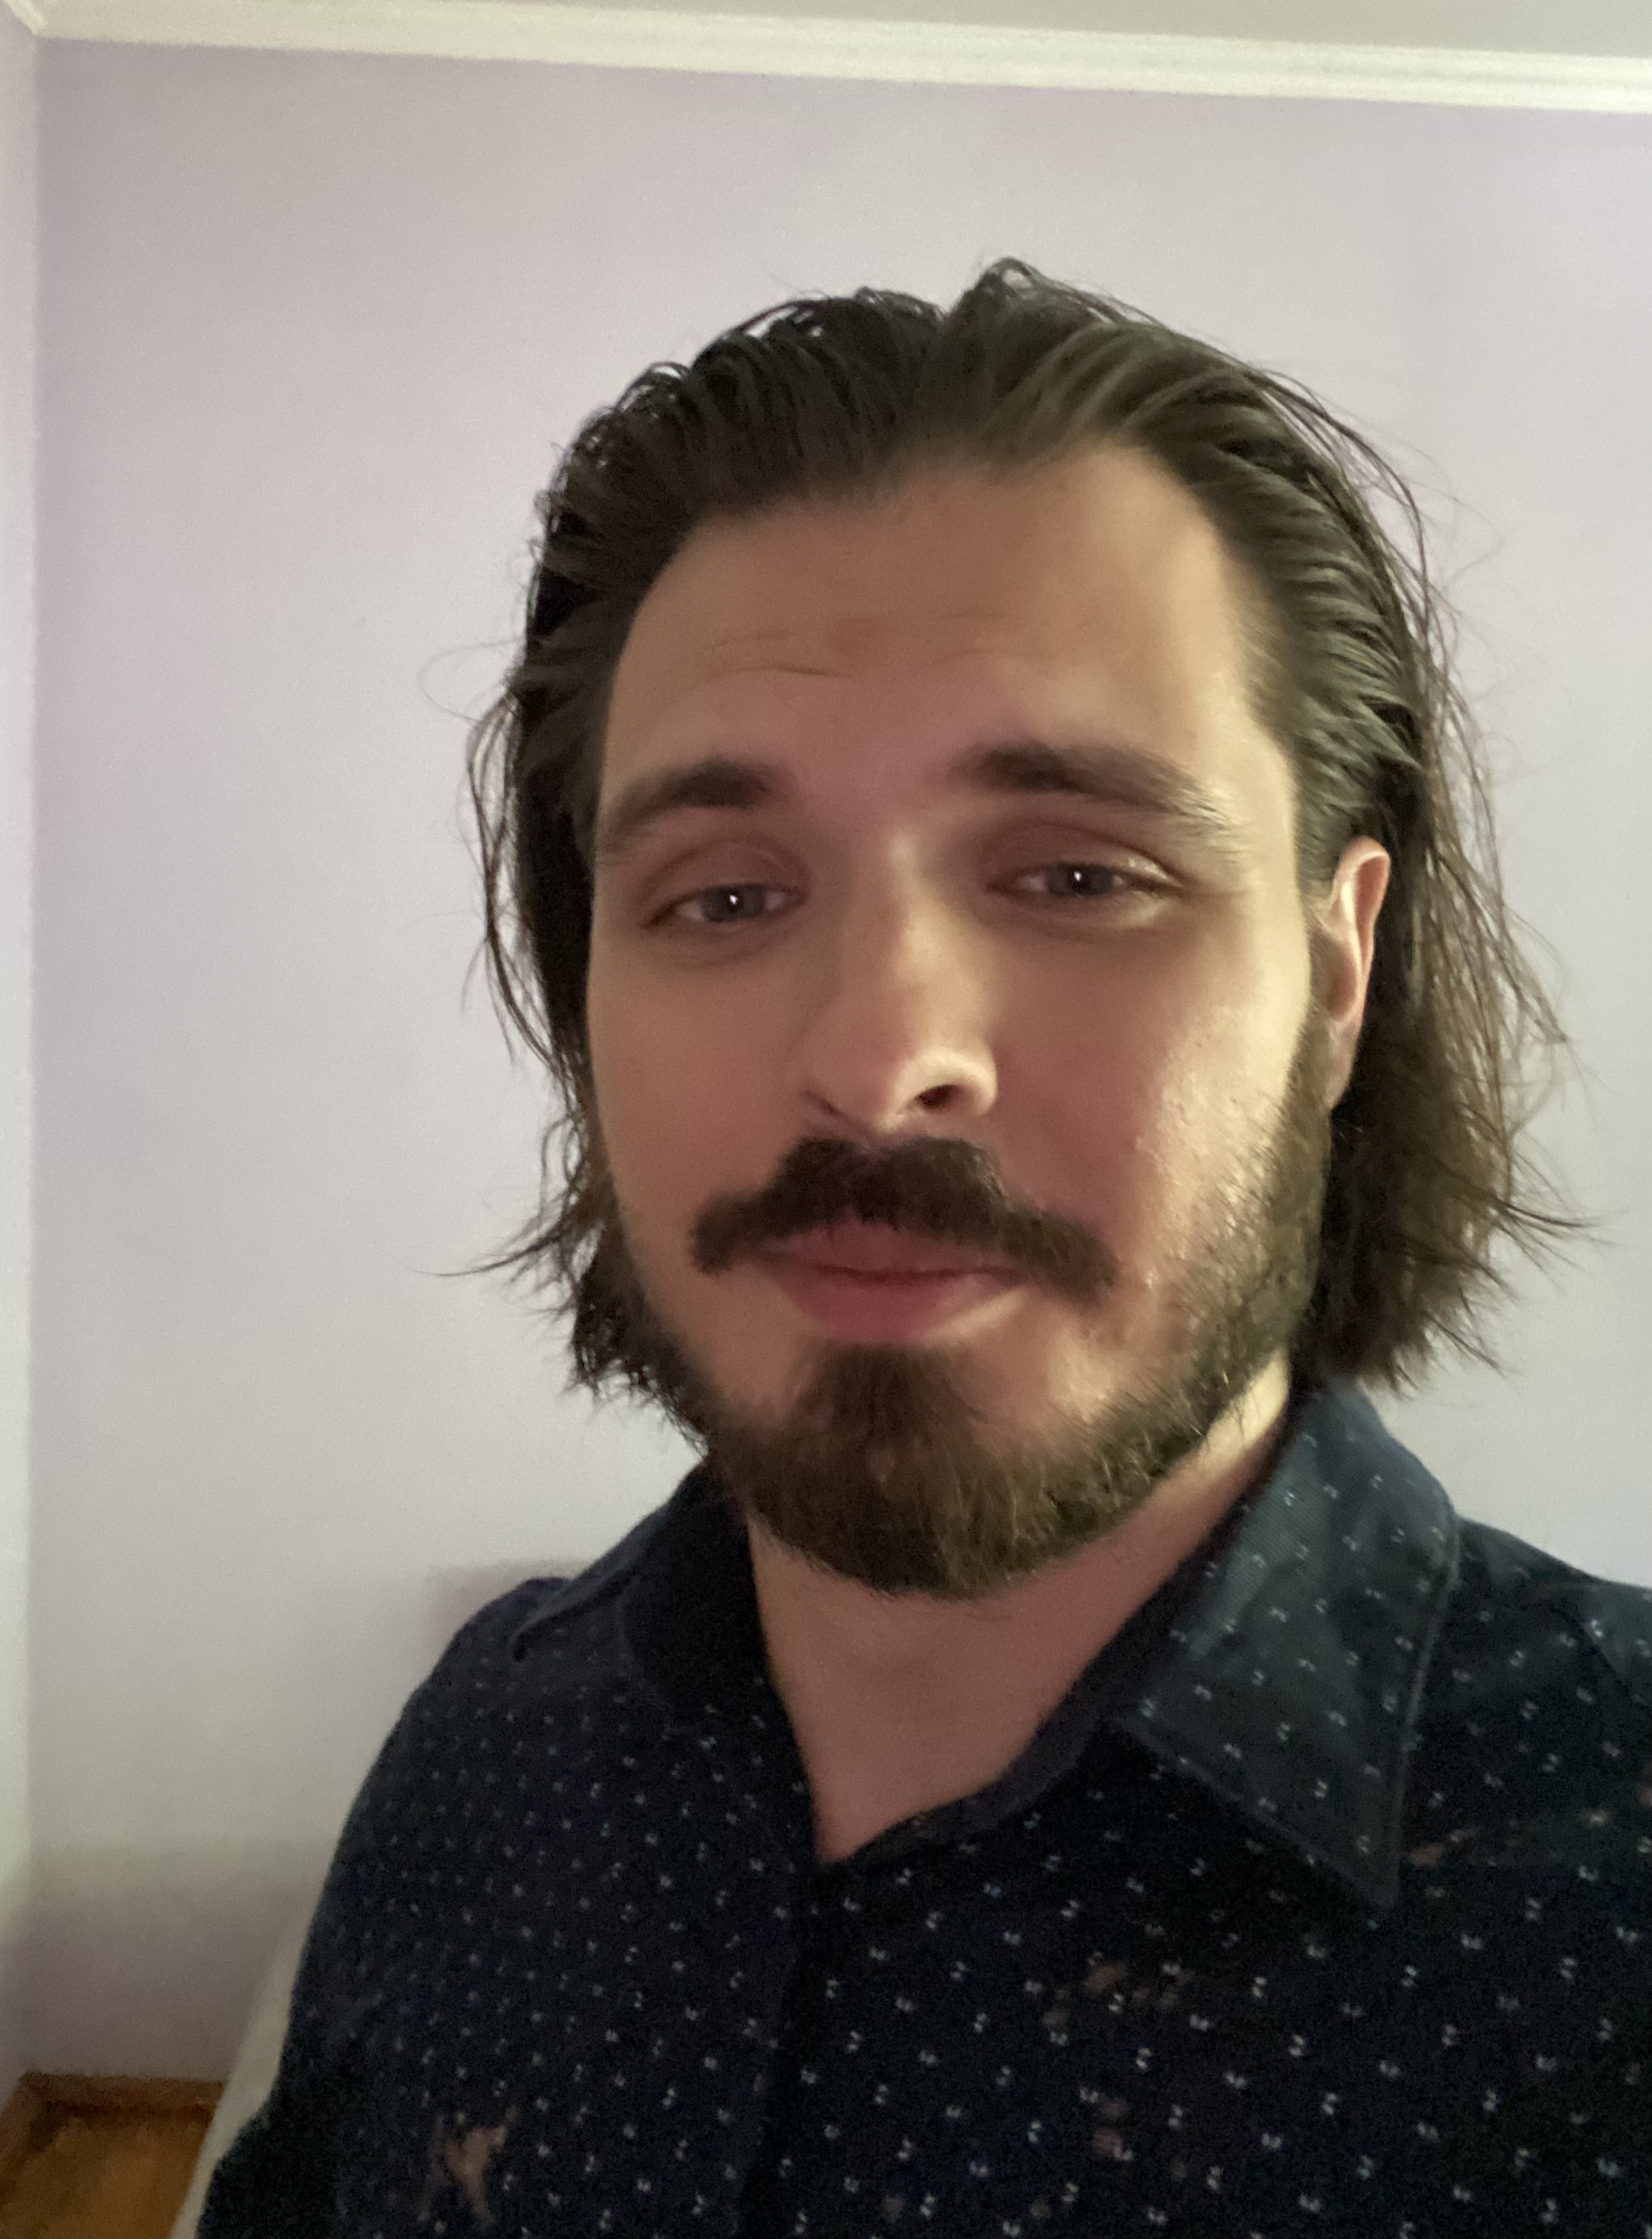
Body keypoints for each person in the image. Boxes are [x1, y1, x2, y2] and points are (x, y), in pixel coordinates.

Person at [198, 262, 1650, 2236]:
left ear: (1337, 968)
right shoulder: (481, 1744)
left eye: (1077, 871)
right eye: (724, 895)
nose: (882, 1061)